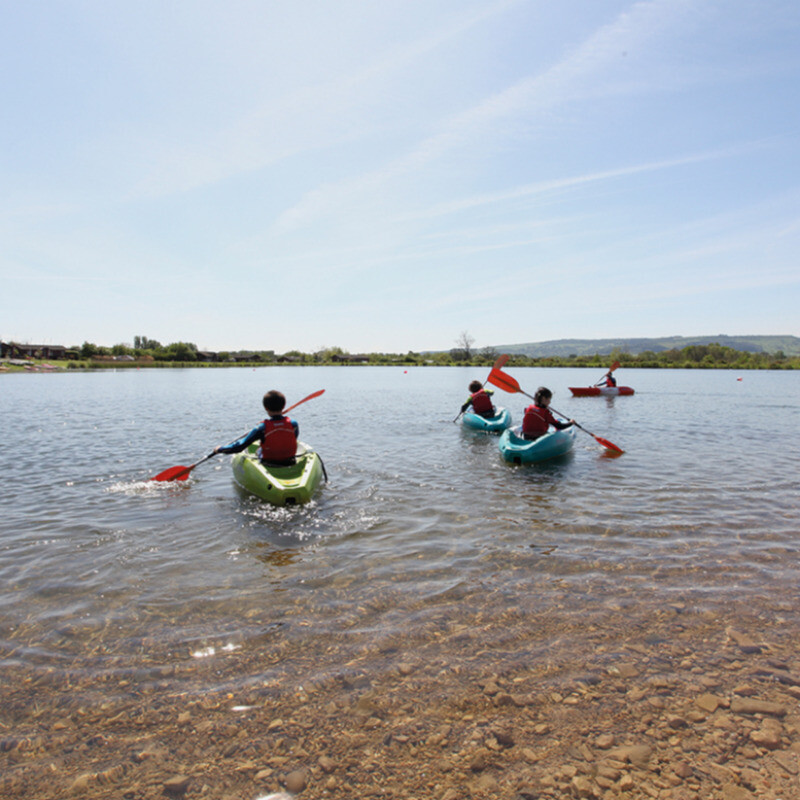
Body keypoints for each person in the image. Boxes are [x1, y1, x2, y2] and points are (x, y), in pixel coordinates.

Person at [215, 390, 299, 464]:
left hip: (269, 461)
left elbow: (240, 446)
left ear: (266, 408)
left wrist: (220, 449)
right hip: (290, 460)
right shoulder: (293, 423)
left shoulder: (262, 428)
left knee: (258, 448)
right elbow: (290, 437)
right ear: (283, 406)